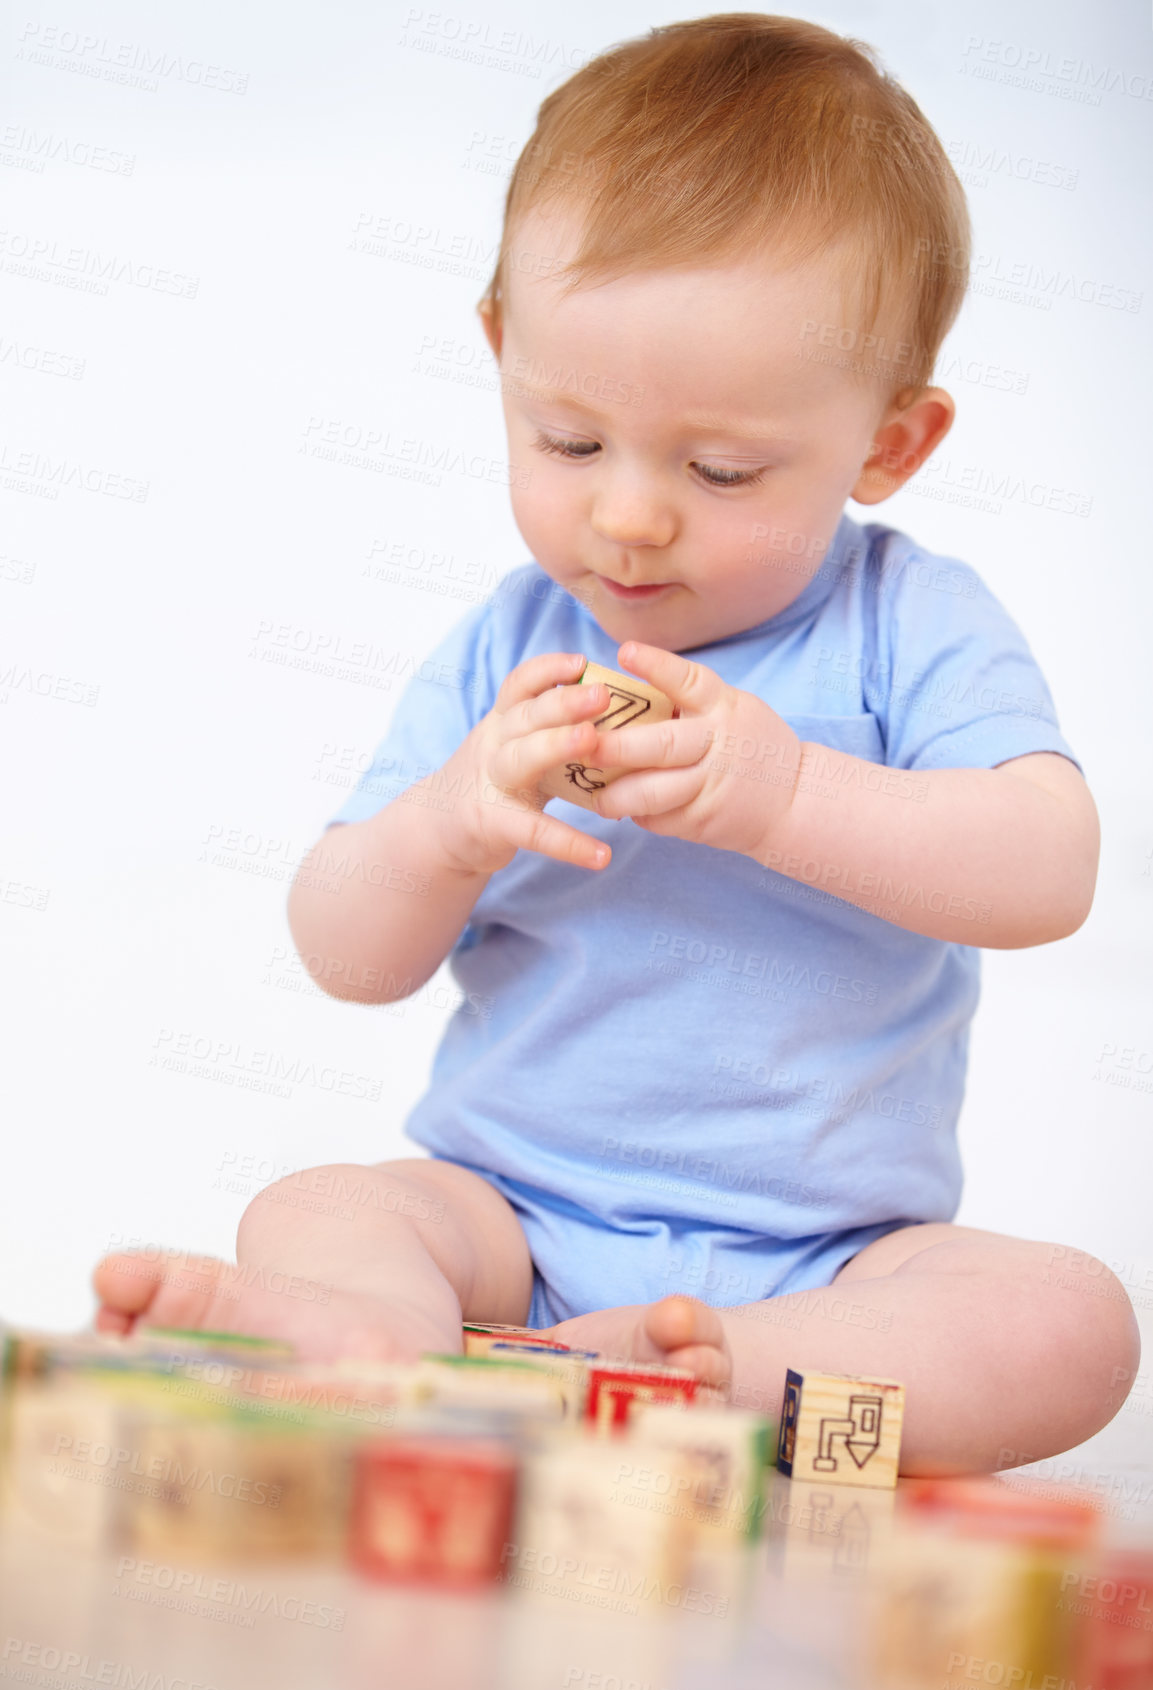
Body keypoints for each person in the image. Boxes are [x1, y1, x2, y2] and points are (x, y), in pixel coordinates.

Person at [94, 14, 1137, 1475]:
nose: (629, 514)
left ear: (889, 445)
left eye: (719, 469)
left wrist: (782, 796)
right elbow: (344, 949)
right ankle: (400, 1348)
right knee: (322, 1209)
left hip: (832, 1272)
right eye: (569, 440)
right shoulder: (508, 651)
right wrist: (454, 818)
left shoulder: (912, 624)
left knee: (1066, 1324)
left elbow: (1047, 868)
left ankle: (694, 1386)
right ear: (500, 352)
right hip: (507, 1224)